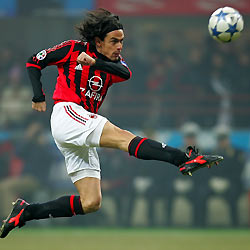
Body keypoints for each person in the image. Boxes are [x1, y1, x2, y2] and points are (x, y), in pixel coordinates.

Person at [0, 8, 223, 238]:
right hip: (68, 113)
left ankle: (26, 212)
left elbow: (125, 73)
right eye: (114, 41)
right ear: (98, 41)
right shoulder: (72, 49)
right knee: (122, 137)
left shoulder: (114, 64)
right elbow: (33, 62)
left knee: (91, 202)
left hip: (80, 126)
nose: (119, 46)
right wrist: (38, 96)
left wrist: (94, 62)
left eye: (122, 41)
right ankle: (182, 159)